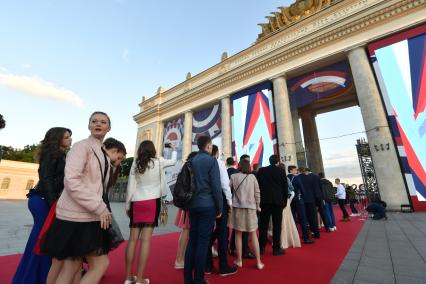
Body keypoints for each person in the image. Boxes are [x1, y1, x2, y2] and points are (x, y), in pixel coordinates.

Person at [41, 112, 113, 284]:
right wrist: (99, 206)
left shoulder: (102, 151)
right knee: (99, 264)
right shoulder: (81, 147)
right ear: (88, 125)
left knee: (71, 268)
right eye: (94, 121)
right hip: (78, 216)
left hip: (86, 214)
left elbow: (98, 185)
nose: (98, 124)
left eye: (103, 122)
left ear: (108, 128)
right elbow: (72, 181)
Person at [13, 127, 72, 284]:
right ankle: (30, 278)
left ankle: (42, 275)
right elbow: (46, 179)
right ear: (57, 138)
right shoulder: (50, 154)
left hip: (45, 199)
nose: (70, 140)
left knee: (44, 239)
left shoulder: (61, 155)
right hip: (42, 200)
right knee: (41, 239)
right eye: (66, 137)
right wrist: (54, 204)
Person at [125, 140, 177, 284]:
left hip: (137, 201)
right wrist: (173, 148)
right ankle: (140, 279)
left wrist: (128, 205)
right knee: (145, 241)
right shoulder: (159, 161)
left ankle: (128, 278)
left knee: (132, 240)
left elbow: (131, 185)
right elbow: (173, 161)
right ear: (153, 149)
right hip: (152, 202)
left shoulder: (136, 163)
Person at [184, 136, 222, 284]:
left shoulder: (191, 161)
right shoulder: (211, 161)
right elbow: (216, 187)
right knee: (202, 242)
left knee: (192, 241)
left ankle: (188, 279)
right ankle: (199, 280)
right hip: (207, 205)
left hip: (193, 205)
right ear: (208, 146)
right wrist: (219, 207)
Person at [205, 145, 237, 276]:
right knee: (222, 232)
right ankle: (223, 266)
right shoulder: (218, 163)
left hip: (206, 200)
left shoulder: (201, 163)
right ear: (217, 153)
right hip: (220, 200)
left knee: (206, 232)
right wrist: (229, 203)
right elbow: (225, 184)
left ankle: (207, 266)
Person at [229, 159, 264, 269]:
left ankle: (239, 260)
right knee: (253, 234)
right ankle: (258, 262)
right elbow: (257, 193)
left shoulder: (233, 177)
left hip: (237, 208)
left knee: (238, 234)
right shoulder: (252, 177)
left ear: (239, 166)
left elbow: (228, 191)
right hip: (251, 208)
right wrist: (258, 205)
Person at [257, 154, 287, 256]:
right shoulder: (281, 171)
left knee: (263, 225)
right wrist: (284, 203)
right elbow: (285, 188)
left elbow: (258, 186)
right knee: (277, 225)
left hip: (264, 202)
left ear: (269, 161)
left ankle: (261, 247)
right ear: (277, 161)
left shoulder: (261, 170)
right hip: (278, 202)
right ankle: (276, 249)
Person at [174, 151, 198, 269]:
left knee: (186, 232)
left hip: (185, 204)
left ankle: (180, 258)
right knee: (186, 232)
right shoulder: (191, 169)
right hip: (190, 204)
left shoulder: (185, 168)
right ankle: (179, 259)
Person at [229, 154, 255, 259]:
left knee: (238, 229)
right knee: (244, 230)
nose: (248, 163)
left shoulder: (236, 174)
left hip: (238, 205)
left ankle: (232, 248)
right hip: (243, 205)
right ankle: (245, 251)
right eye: (246, 161)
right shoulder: (240, 175)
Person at [287, 165, 313, 244]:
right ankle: (306, 238)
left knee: (293, 219)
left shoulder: (287, 177)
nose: (296, 171)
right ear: (291, 170)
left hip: (290, 201)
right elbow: (302, 189)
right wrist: (302, 196)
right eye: (295, 170)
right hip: (298, 199)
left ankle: (294, 238)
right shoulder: (297, 178)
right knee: (302, 219)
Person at [279, 164, 301, 249]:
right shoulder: (286, 178)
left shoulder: (277, 178)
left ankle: (282, 239)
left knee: (281, 220)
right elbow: (292, 190)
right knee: (288, 219)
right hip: (286, 201)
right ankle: (289, 238)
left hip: (279, 201)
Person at [298, 167, 320, 239]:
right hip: (311, 199)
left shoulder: (298, 178)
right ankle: (316, 233)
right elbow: (316, 190)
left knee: (304, 218)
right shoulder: (312, 178)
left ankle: (307, 234)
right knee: (313, 217)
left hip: (303, 200)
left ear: (299, 171)